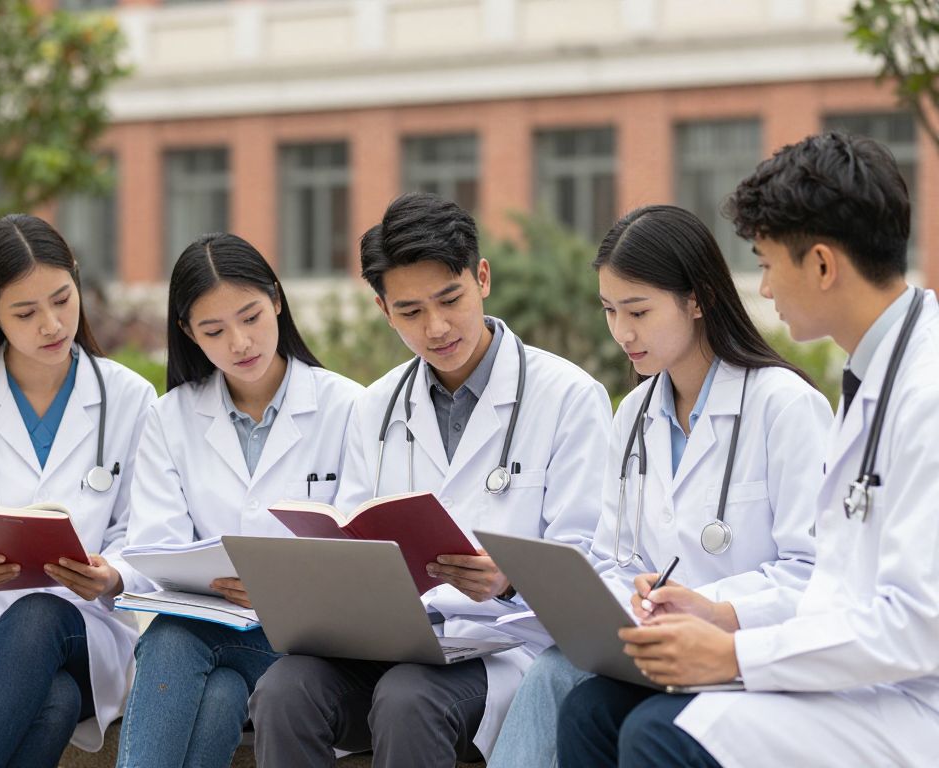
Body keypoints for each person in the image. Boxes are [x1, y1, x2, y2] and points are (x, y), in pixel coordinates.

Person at [558, 132, 939, 768]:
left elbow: (914, 624)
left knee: (658, 734)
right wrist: (711, 614)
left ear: (822, 266)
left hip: (905, 699)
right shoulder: (876, 379)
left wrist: (734, 648)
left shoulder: (922, 395)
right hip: (842, 669)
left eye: (766, 264)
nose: (762, 290)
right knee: (592, 710)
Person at [249, 192, 613, 767]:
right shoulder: (375, 407)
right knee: (283, 691)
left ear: (482, 278)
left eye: (450, 299)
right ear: (383, 309)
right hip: (394, 641)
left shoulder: (568, 397)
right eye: (411, 311)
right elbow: (351, 539)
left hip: (505, 647)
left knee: (408, 698)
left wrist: (509, 580)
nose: (437, 327)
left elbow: (587, 559)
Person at [488, 204, 831, 768]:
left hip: (748, 657)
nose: (622, 332)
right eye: (609, 311)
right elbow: (615, 559)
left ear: (697, 299)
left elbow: (815, 573)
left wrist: (713, 608)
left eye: (639, 311)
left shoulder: (784, 406)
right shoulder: (634, 416)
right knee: (582, 705)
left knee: (630, 721)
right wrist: (611, 605)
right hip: (660, 656)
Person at [0, 214, 156, 766]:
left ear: (77, 280)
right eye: (25, 312)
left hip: (87, 629)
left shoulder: (131, 398)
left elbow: (144, 533)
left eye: (62, 300)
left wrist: (112, 574)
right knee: (53, 701)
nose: (52, 324)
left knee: (40, 614)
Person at [115, 233, 363, 768]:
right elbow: (156, 546)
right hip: (216, 632)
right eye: (214, 330)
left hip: (311, 653)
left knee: (172, 640)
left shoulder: (349, 408)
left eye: (251, 317)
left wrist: (280, 587)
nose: (240, 342)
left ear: (277, 299)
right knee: (219, 689)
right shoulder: (170, 418)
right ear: (188, 332)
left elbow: (365, 556)